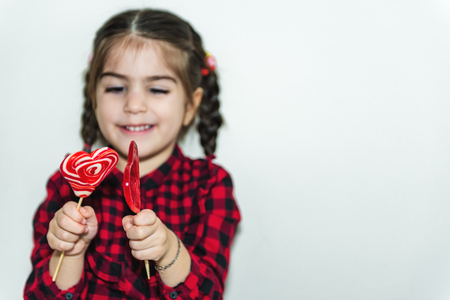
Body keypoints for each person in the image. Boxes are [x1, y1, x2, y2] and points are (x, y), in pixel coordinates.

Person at [24, 8, 241, 300]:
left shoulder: (209, 185)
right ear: (93, 98)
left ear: (191, 105)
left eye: (157, 89)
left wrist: (167, 250)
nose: (134, 104)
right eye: (116, 87)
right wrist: (70, 252)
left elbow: (208, 294)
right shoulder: (67, 186)